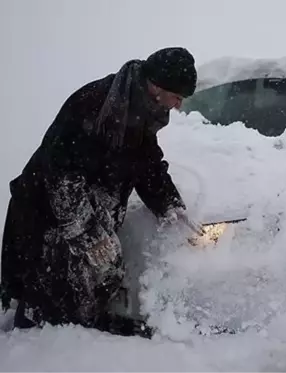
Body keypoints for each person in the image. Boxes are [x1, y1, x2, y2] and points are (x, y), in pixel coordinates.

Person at [0, 47, 200, 337]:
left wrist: (170, 205)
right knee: (47, 299)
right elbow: (61, 178)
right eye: (178, 97)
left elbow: (147, 164)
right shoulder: (95, 104)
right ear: (157, 87)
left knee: (92, 282)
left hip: (82, 209)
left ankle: (83, 332)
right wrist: (91, 235)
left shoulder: (142, 110)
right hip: (47, 217)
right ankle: (40, 349)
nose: (179, 106)